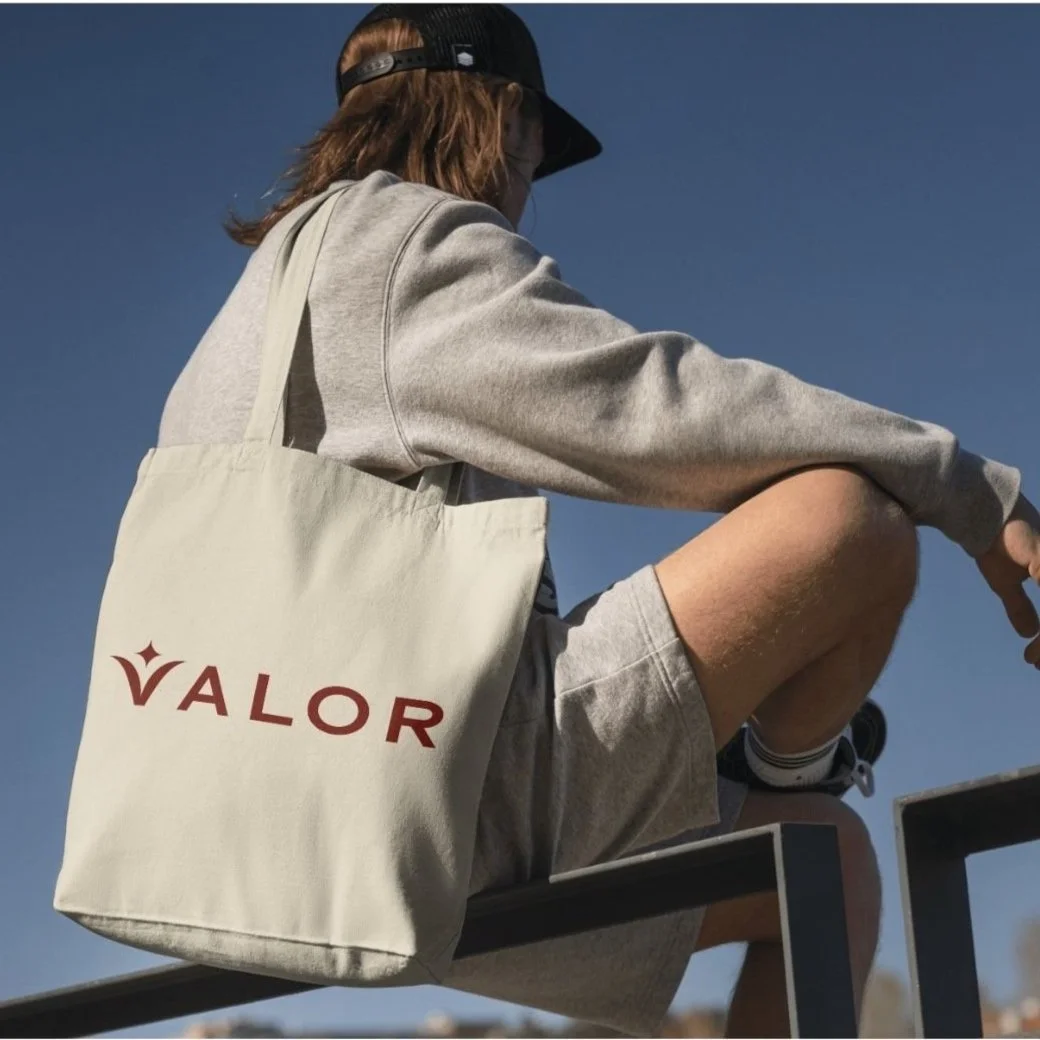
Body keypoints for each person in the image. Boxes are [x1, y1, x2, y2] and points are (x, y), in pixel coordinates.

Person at [158, 5, 1040, 1036]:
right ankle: (783, 760)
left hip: (262, 825)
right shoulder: (402, 245)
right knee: (851, 521)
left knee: (825, 862)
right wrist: (969, 488)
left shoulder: (254, 302)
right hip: (428, 795)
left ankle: (781, 773)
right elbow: (651, 408)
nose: (531, 190)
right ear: (506, 121)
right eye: (537, 152)